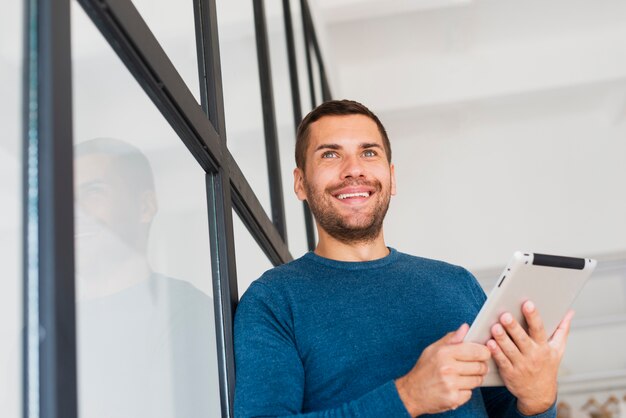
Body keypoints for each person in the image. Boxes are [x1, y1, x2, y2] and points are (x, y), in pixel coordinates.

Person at [234, 100, 573, 417]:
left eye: (368, 152)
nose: (354, 170)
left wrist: (538, 398)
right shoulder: (273, 300)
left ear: (392, 177)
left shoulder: (456, 283)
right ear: (300, 184)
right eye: (330, 155)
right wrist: (408, 396)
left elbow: (504, 410)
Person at [74, 138, 218, 418]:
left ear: (145, 207)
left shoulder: (192, 315)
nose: (75, 212)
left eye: (93, 192)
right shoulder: (42, 330)